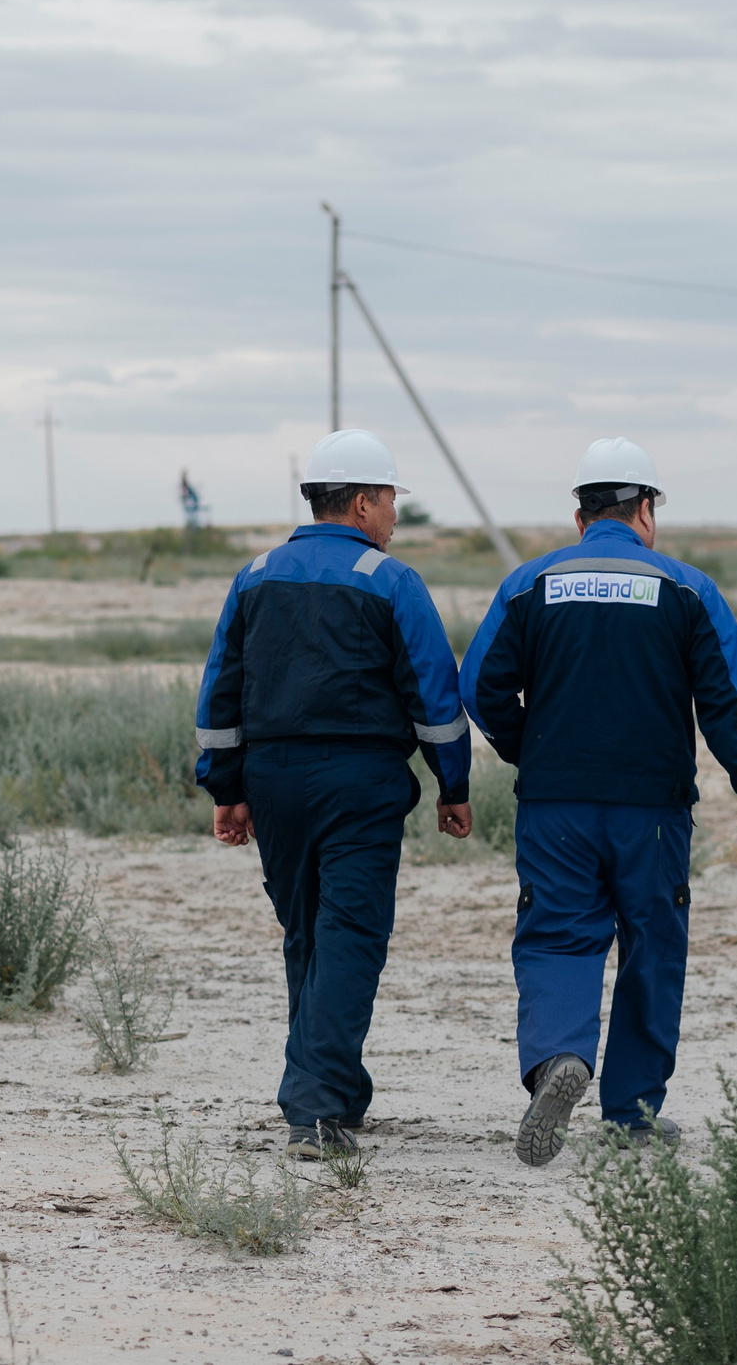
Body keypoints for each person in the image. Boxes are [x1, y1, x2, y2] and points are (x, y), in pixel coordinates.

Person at [460, 438, 737, 1167]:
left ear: (579, 515)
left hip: (556, 803)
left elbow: (479, 688)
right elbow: (731, 700)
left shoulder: (529, 584)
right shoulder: (688, 588)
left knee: (557, 936)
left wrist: (525, 748)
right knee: (652, 947)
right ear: (646, 511)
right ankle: (632, 1111)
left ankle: (559, 1058)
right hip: (653, 810)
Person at [194, 429, 473, 1160]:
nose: (393, 516)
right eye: (387, 500)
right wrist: (454, 783)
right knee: (350, 937)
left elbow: (221, 689)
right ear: (358, 502)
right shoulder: (391, 580)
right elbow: (435, 697)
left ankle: (336, 1093)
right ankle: (314, 1112)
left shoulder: (254, 576)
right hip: (360, 782)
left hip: (274, 781)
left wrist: (225, 788)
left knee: (309, 935)